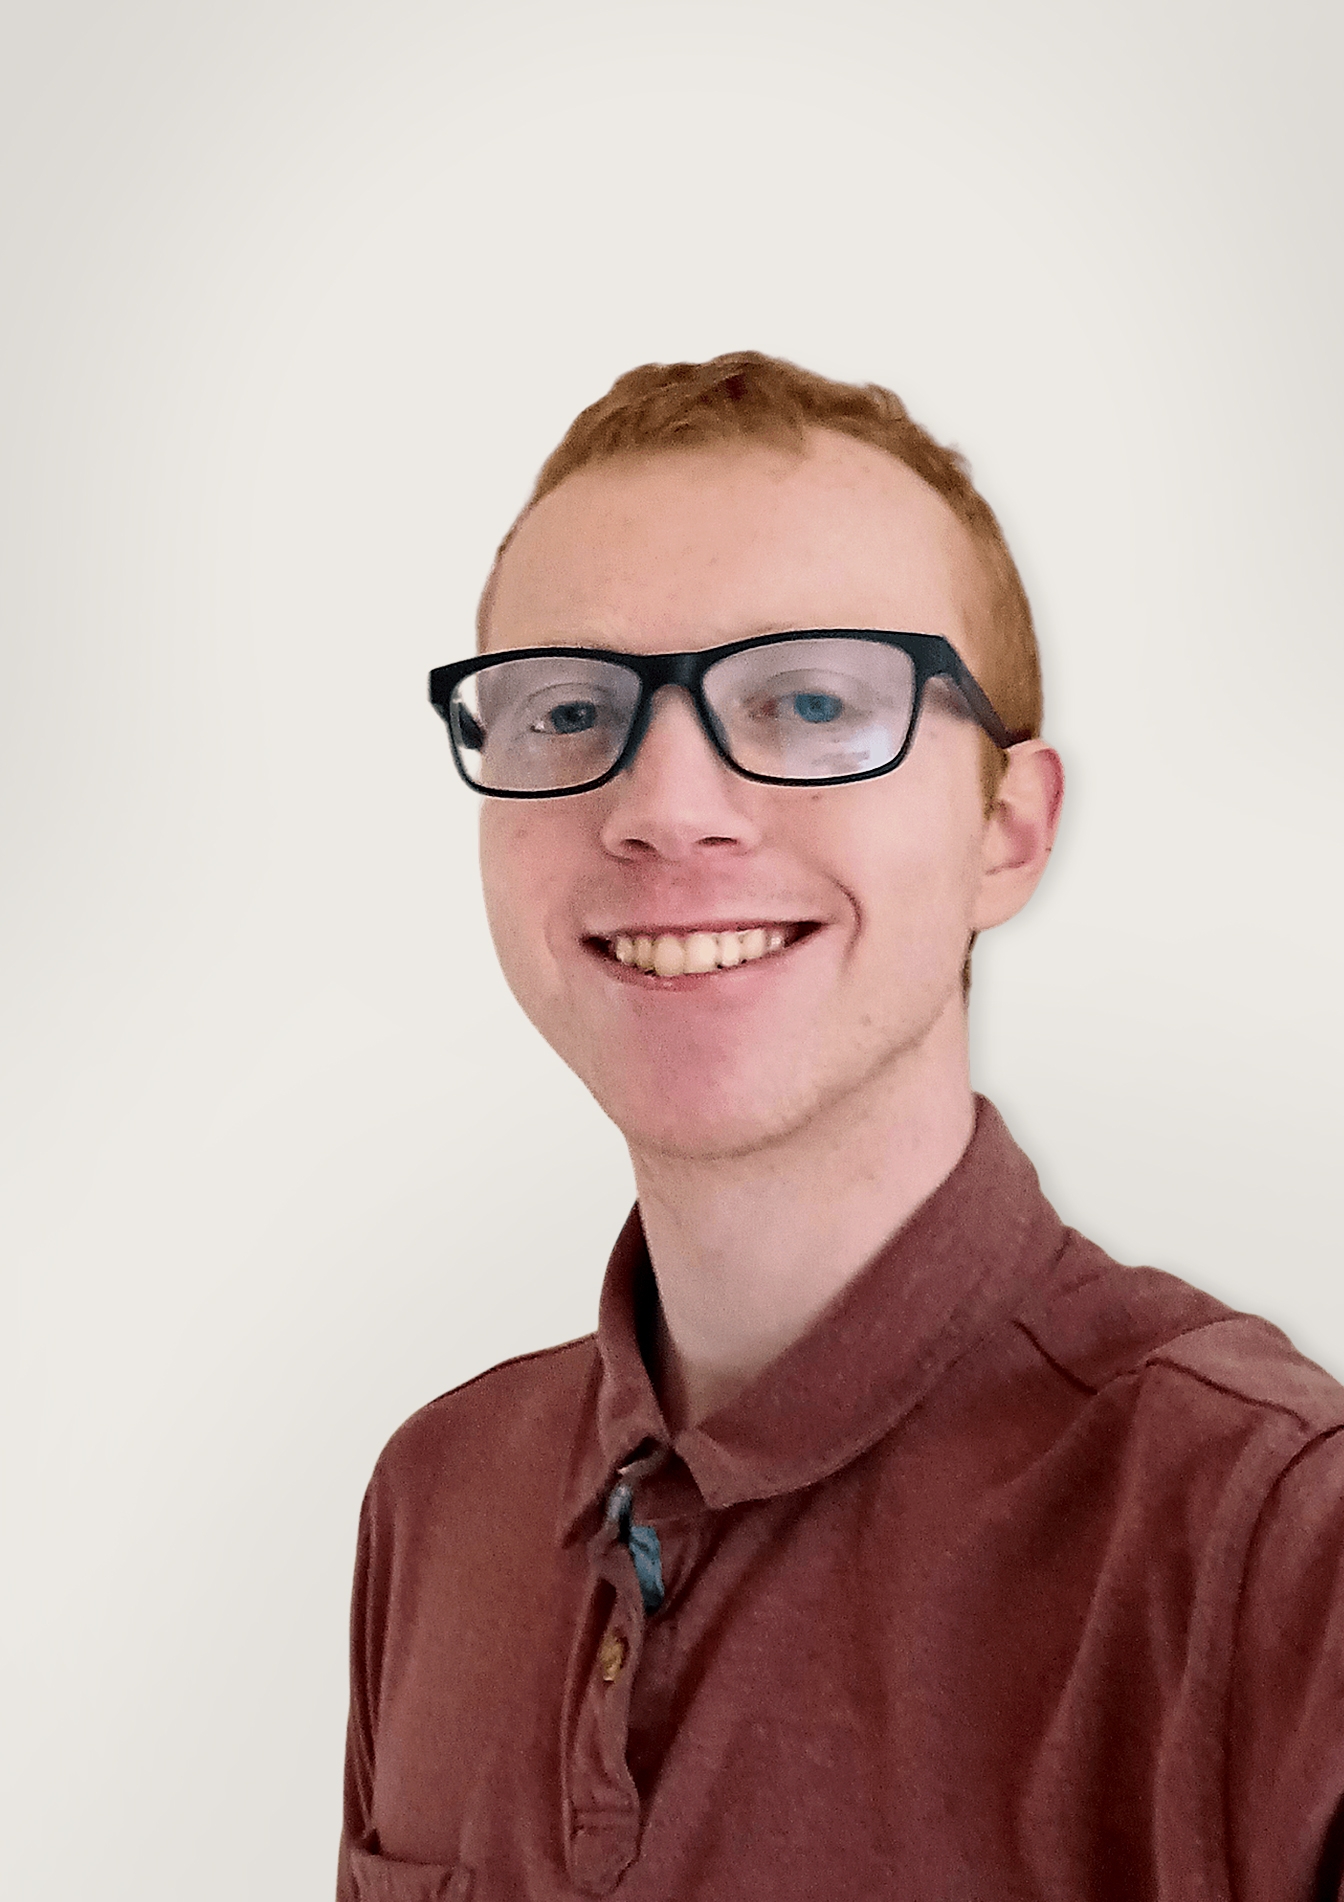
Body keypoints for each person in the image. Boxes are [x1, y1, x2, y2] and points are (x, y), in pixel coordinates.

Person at [336, 352, 1344, 1901]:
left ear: (1006, 833)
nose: (666, 802)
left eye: (809, 700)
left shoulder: (1275, 1540)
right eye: (567, 708)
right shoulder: (434, 1497)